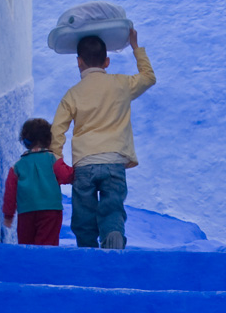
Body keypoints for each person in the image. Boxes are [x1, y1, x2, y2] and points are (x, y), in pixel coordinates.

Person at [50, 28, 156, 249]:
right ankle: (113, 242)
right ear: (107, 62)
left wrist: (58, 160)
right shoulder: (122, 84)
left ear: (79, 62)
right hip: (114, 161)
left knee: (84, 219)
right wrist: (136, 47)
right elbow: (148, 77)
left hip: (84, 164)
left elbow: (57, 130)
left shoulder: (72, 94)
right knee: (112, 210)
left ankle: (87, 255)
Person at [2, 118, 74, 246]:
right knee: (47, 245)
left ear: (25, 141)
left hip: (26, 213)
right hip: (51, 211)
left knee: (26, 245)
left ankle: (29, 266)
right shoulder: (53, 159)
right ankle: (44, 265)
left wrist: (8, 215)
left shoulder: (17, 166)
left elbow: (10, 192)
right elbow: (66, 176)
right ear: (49, 139)